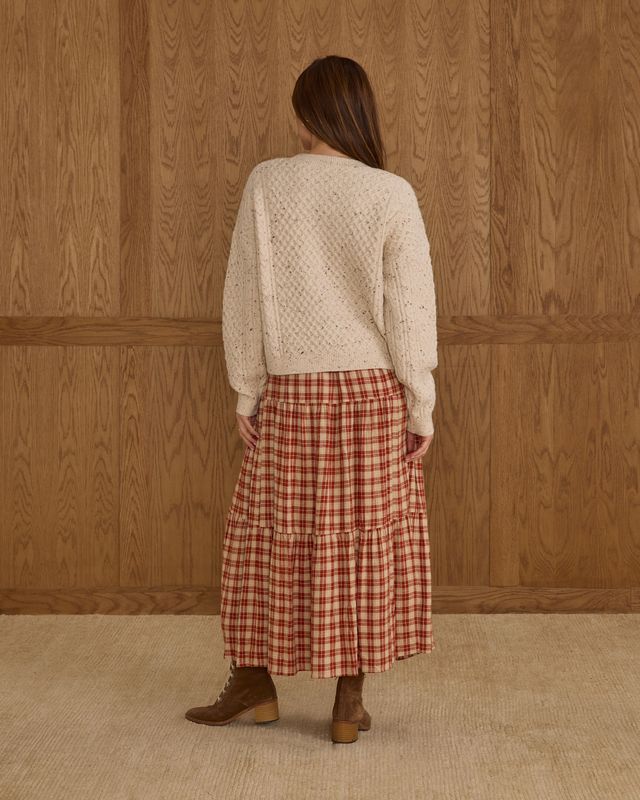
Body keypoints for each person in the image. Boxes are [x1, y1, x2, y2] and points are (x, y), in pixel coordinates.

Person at [185, 54, 438, 745]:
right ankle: (347, 702)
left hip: (293, 391)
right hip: (371, 393)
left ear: (304, 114)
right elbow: (410, 310)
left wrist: (246, 389)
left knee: (269, 535)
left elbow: (243, 293)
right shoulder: (391, 192)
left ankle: (253, 680)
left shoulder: (267, 184)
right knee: (362, 539)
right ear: (359, 112)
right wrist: (421, 403)